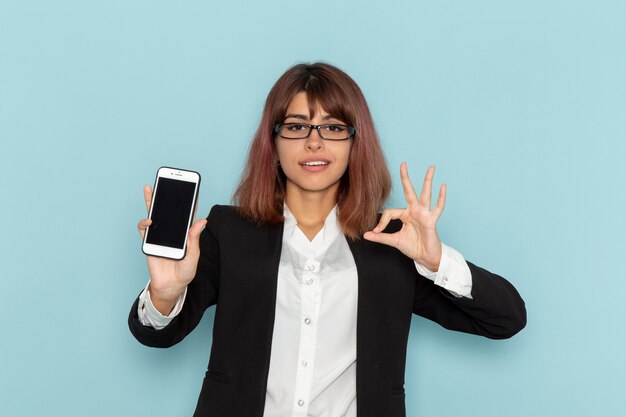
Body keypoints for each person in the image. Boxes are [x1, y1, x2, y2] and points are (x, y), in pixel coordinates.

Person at [129, 62, 526, 417]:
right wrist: (166, 293)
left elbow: (506, 319)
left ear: (356, 142)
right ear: (274, 141)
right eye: (297, 126)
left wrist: (436, 262)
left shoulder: (391, 242)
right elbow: (155, 334)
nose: (314, 142)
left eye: (334, 127)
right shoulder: (228, 231)